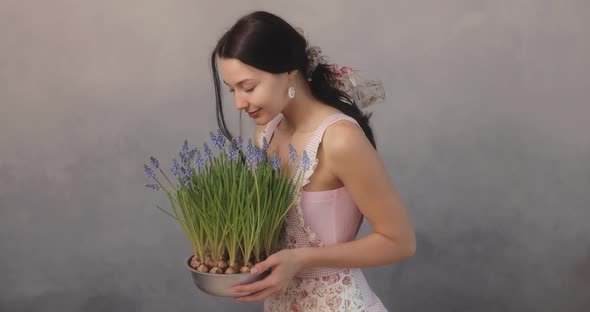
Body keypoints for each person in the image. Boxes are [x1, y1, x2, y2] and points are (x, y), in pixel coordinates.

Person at [210, 10, 416, 311]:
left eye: (248, 87)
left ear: (289, 73)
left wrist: (304, 259)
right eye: (232, 90)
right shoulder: (264, 137)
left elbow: (400, 242)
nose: (239, 103)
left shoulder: (339, 139)